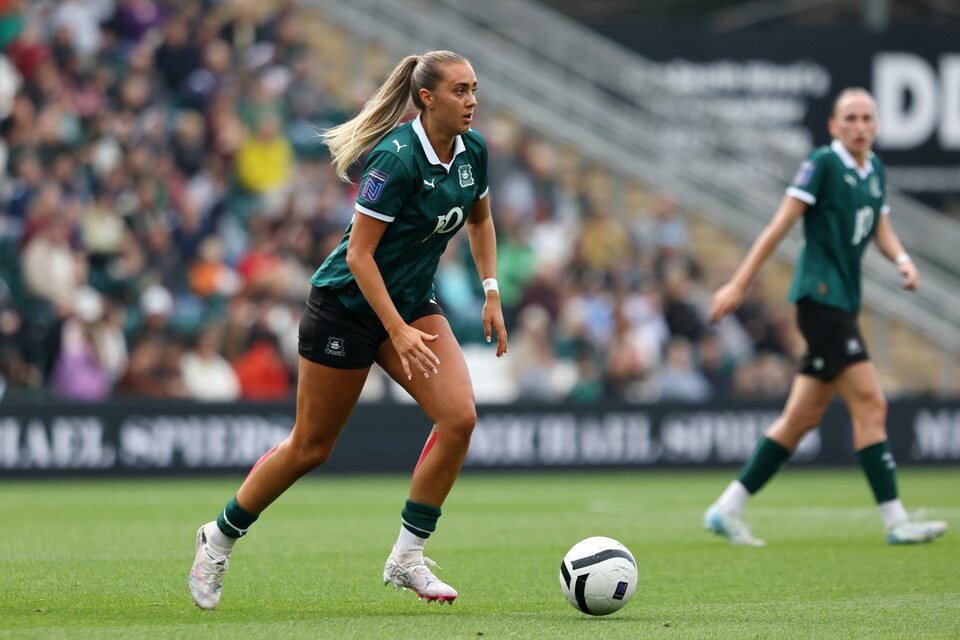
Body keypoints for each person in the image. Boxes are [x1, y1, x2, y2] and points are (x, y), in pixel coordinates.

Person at [188, 50, 507, 609]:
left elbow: (480, 220)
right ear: (426, 98)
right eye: (460, 90)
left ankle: (408, 557)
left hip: (408, 305)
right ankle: (218, 537)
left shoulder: (473, 151)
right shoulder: (395, 158)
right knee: (310, 448)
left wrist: (490, 291)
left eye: (474, 89)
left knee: (459, 418)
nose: (472, 100)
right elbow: (360, 256)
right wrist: (397, 330)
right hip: (345, 306)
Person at [703, 88, 947, 547]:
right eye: (849, 118)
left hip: (841, 303)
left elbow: (881, 229)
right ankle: (896, 521)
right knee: (872, 404)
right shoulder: (823, 163)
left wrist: (903, 260)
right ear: (834, 126)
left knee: (799, 419)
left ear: (876, 125)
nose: (858, 126)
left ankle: (726, 508)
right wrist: (739, 283)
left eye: (866, 118)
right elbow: (780, 224)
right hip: (820, 300)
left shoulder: (874, 170)